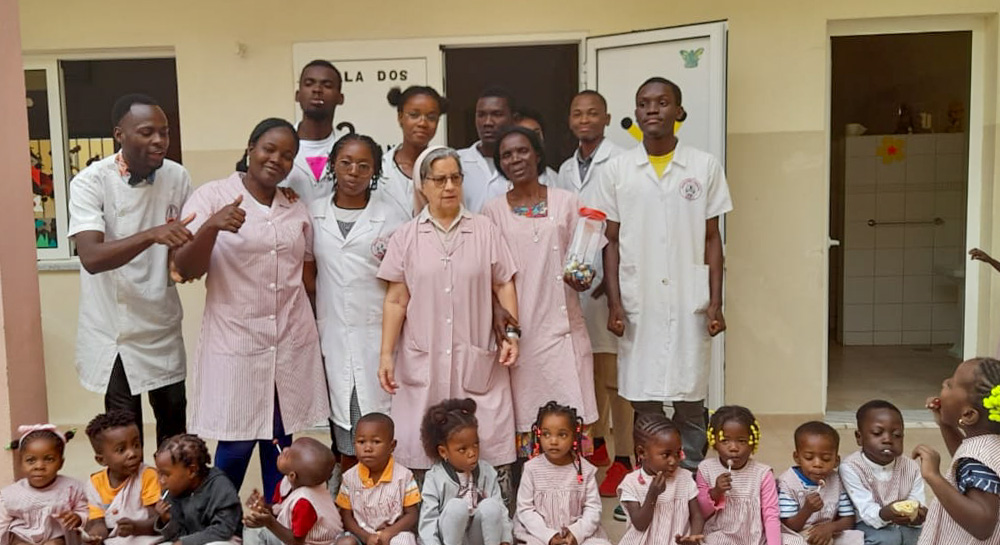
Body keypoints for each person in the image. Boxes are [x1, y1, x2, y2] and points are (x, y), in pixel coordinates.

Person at [173, 118, 330, 500]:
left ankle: (280, 522)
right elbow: (184, 268)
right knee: (238, 439)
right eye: (269, 149)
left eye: (288, 155)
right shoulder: (211, 196)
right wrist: (212, 226)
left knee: (280, 440)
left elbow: (306, 274)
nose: (277, 159)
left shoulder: (295, 206)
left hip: (290, 339)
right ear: (250, 147)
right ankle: (220, 523)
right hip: (236, 341)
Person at [595, 77, 731, 470]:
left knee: (690, 397)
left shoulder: (704, 166)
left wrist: (716, 301)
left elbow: (711, 238)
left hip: (690, 298)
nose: (652, 109)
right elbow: (612, 241)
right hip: (641, 301)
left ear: (679, 111)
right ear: (636, 113)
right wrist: (616, 305)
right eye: (644, 103)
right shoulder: (619, 170)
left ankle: (688, 481)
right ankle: (651, 481)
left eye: (662, 102)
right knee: (644, 397)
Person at [376, 146, 519, 479]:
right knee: (422, 449)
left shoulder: (484, 230)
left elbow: (504, 284)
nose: (449, 186)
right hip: (422, 356)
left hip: (476, 355)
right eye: (439, 179)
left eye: (455, 178)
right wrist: (386, 354)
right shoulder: (407, 236)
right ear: (422, 185)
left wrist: (512, 334)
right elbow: (396, 300)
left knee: (483, 447)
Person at [68, 93, 192, 448]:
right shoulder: (91, 182)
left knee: (174, 430)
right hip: (114, 330)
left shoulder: (177, 177)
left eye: (164, 132)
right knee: (125, 435)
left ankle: (174, 502)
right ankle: (131, 502)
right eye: (147, 132)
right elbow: (91, 257)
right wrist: (153, 233)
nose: (158, 140)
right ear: (119, 134)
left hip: (160, 322)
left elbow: (185, 244)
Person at [481, 127, 598, 461]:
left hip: (563, 330)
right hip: (519, 334)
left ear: (537, 153)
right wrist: (495, 310)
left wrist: (583, 276)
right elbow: (484, 273)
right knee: (526, 416)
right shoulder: (492, 211)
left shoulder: (567, 202)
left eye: (522, 151)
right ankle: (531, 495)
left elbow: (584, 258)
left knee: (571, 411)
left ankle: (573, 495)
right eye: (506, 155)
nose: (515, 159)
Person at [307, 134, 410, 473]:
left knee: (381, 419)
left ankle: (386, 498)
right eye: (346, 162)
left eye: (364, 165)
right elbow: (309, 274)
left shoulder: (392, 215)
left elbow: (402, 280)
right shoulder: (314, 212)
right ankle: (352, 498)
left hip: (378, 333)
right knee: (345, 424)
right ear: (333, 164)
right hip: (333, 331)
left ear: (375, 171)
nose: (354, 171)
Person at [552, 90, 630, 496]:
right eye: (577, 113)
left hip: (607, 284)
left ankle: (625, 459)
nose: (585, 119)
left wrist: (609, 280)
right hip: (576, 284)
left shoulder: (622, 162)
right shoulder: (565, 169)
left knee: (615, 375)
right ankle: (598, 445)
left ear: (607, 118)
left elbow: (626, 229)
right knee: (587, 372)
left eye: (593, 113)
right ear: (569, 120)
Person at [915, 357, 1000, 543]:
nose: (944, 382)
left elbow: (983, 525)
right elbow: (967, 468)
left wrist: (933, 476)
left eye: (952, 384)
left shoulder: (976, 459)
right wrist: (946, 425)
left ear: (968, 415)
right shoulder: (988, 446)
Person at [418, 399, 513, 545]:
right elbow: (428, 521)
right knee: (457, 507)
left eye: (475, 445)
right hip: (450, 539)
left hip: (477, 538)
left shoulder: (487, 471)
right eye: (463, 449)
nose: (472, 453)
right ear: (444, 452)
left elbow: (501, 511)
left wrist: (506, 539)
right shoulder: (435, 478)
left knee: (491, 506)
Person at [514, 401, 609, 545]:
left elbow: (593, 508)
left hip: (577, 537)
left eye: (562, 435)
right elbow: (525, 509)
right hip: (540, 535)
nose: (553, 441)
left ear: (574, 436)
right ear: (538, 434)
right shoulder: (531, 469)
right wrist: (549, 536)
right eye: (546, 434)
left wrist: (577, 533)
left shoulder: (585, 470)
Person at [839, 400, 925, 545]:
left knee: (921, 536)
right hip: (868, 522)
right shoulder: (851, 467)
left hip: (904, 523)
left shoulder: (911, 467)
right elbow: (865, 509)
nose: (888, 440)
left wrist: (919, 515)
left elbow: (917, 500)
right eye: (877, 433)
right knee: (887, 539)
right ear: (859, 437)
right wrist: (886, 514)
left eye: (897, 435)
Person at [696, 405, 780, 545]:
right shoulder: (705, 469)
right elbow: (700, 513)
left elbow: (771, 515)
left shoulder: (763, 473)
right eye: (725, 441)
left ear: (753, 443)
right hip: (720, 535)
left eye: (741, 441)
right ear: (714, 442)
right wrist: (716, 492)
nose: (734, 448)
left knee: (794, 541)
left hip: (756, 536)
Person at [616, 413, 704, 545]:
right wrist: (652, 495)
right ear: (642, 453)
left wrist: (693, 537)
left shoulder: (684, 478)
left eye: (677, 453)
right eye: (666, 455)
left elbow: (697, 515)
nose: (673, 461)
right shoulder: (631, 483)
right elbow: (640, 524)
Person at [335, 413, 420, 545]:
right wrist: (365, 537)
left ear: (392, 446)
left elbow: (412, 515)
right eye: (361, 442)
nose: (368, 448)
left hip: (393, 534)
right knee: (345, 542)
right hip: (361, 534)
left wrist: (389, 533)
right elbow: (346, 516)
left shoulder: (404, 476)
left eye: (376, 442)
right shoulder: (349, 477)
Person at [243, 437, 342, 545]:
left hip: (307, 542)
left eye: (287, 455)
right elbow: (281, 512)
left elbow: (296, 542)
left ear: (292, 475)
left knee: (253, 529)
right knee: (254, 526)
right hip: (294, 537)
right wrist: (265, 507)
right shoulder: (292, 482)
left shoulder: (304, 503)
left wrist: (270, 522)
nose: (284, 449)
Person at [0, 426, 89, 545]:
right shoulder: (10, 494)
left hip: (55, 538)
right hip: (22, 538)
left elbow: (86, 511)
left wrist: (78, 517)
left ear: (61, 463)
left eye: (49, 459)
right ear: (20, 463)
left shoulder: (73, 488)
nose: (39, 466)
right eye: (31, 460)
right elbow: (2, 523)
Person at [777, 421, 863, 545]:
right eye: (809, 457)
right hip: (798, 534)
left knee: (855, 538)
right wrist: (807, 509)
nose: (817, 464)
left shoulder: (836, 481)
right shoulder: (788, 483)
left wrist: (830, 528)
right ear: (797, 458)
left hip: (828, 530)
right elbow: (790, 526)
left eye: (826, 459)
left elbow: (849, 519)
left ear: (836, 460)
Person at [83, 411, 161, 543]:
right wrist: (95, 537)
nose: (132, 453)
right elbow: (98, 523)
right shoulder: (95, 484)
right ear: (101, 460)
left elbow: (158, 521)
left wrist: (136, 528)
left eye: (136, 445)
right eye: (121, 450)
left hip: (145, 538)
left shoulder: (147, 475)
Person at [153, 434, 242, 543]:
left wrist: (186, 543)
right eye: (159, 473)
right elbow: (179, 537)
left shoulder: (220, 487)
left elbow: (223, 530)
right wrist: (166, 520)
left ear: (191, 471)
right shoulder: (172, 492)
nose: (160, 480)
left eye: (165, 474)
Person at [279, 60, 346, 204]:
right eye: (309, 84)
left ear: (340, 98)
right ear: (297, 95)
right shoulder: (277, 146)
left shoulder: (348, 148)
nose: (317, 90)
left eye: (327, 85)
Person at [380, 85, 449, 215]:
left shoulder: (447, 169)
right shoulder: (380, 168)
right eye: (414, 115)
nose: (422, 123)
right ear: (400, 117)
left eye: (431, 117)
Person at [458, 87, 515, 213]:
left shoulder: (525, 165)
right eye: (481, 115)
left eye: (497, 114)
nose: (487, 122)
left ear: (513, 119)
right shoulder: (456, 161)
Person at [513, 108, 558, 186]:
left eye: (536, 134)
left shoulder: (553, 177)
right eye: (525, 135)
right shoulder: (504, 179)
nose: (533, 140)